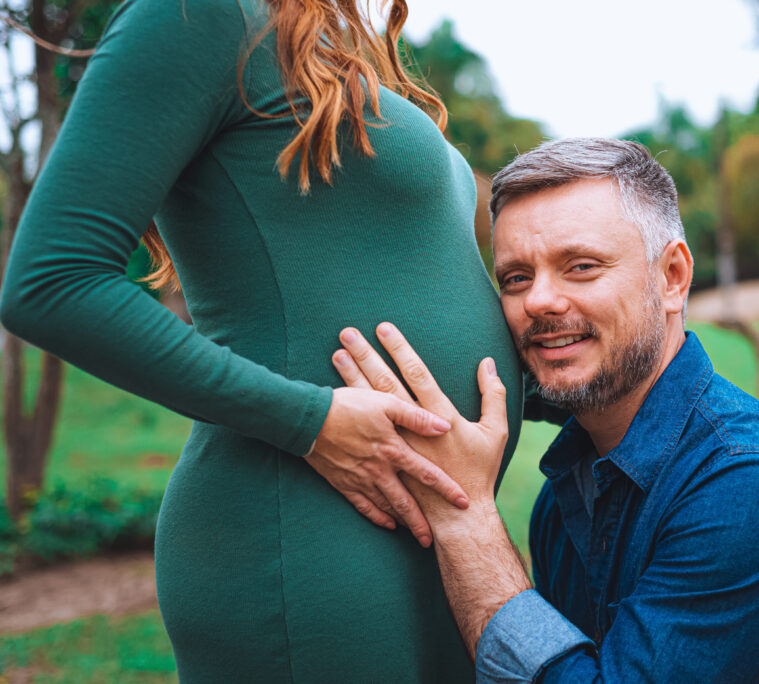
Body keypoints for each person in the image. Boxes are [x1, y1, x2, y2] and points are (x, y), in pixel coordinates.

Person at [0, 0, 526, 680]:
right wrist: (310, 420)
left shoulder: (325, 40)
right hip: (304, 534)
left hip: (433, 534)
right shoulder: (196, 14)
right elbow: (52, 281)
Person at [333, 138, 759, 682]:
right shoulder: (567, 496)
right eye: (514, 277)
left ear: (672, 277)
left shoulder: (753, 485)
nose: (538, 300)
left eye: (581, 266)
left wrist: (464, 516)